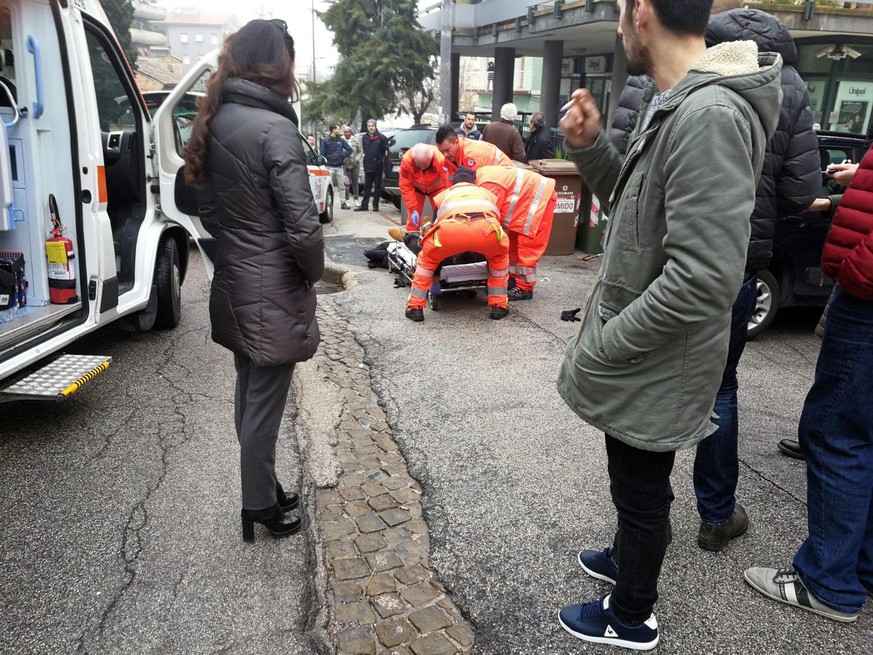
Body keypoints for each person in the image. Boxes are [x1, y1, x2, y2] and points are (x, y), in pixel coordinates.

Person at [556, 0, 780, 649]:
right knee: (636, 479)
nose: (618, 25)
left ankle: (631, 614)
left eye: (621, 11)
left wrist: (606, 342)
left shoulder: (707, 113)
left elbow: (703, 279)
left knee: (641, 486)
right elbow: (632, 211)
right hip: (648, 350)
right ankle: (629, 556)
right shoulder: (678, 100)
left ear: (643, 11)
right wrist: (590, 148)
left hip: (654, 351)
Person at [686, 3, 821, 552]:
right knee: (720, 385)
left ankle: (639, 524)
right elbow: (796, 192)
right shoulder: (790, 86)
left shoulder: (693, 72)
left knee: (654, 376)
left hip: (678, 249)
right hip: (741, 258)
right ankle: (717, 514)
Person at [183, 19, 324, 542]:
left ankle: (262, 487)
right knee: (263, 402)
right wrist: (310, 276)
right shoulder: (274, 128)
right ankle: (258, 505)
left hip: (235, 275)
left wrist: (243, 247)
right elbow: (304, 228)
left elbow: (210, 210)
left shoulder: (216, 119)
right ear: (278, 65)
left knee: (249, 390)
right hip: (272, 284)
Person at [744, 145, 873, 625]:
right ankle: (862, 567)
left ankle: (827, 581)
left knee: (837, 433)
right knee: (862, 432)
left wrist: (858, 271)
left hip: (867, 298)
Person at [404, 168, 510, 322]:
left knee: (427, 261)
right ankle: (498, 307)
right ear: (474, 181)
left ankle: (415, 308)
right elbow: (497, 217)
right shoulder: (487, 194)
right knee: (499, 258)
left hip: (451, 230)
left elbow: (435, 225)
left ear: (453, 183)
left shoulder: (444, 195)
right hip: (486, 229)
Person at [476, 165, 556, 300]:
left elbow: (491, 216)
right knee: (512, 246)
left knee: (528, 246)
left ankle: (525, 287)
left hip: (539, 201)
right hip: (528, 202)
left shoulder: (488, 185)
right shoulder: (484, 177)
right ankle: (512, 279)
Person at [395, 143, 450, 253]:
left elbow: (447, 183)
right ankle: (411, 239)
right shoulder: (407, 160)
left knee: (443, 214)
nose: (422, 168)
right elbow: (405, 185)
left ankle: (444, 238)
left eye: (425, 165)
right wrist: (413, 208)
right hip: (417, 188)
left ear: (430, 159)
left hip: (437, 189)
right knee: (413, 218)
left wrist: (447, 201)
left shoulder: (440, 159)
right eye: (419, 166)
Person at [434, 125, 511, 178]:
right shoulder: (452, 156)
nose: (445, 155)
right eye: (442, 152)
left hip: (506, 177)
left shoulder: (472, 155)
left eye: (447, 150)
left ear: (456, 142)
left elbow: (477, 187)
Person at [357, 119, 390, 212]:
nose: (371, 127)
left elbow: (386, 151)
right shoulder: (364, 137)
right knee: (367, 186)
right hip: (368, 165)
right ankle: (364, 205)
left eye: (372, 126)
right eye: (369, 126)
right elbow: (365, 150)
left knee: (377, 187)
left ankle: (375, 205)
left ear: (375, 126)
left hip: (378, 166)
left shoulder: (382, 137)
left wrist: (381, 161)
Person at [320, 123, 352, 209]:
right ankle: (327, 203)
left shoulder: (341, 140)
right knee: (327, 186)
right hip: (329, 167)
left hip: (339, 166)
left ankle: (343, 202)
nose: (339, 130)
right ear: (333, 130)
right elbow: (322, 155)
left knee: (342, 186)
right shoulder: (325, 140)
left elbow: (350, 149)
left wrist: (342, 156)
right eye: (338, 129)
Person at [343, 125, 363, 207]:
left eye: (348, 132)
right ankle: (346, 199)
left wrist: (357, 159)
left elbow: (360, 151)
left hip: (355, 163)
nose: (347, 133)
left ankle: (356, 199)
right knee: (346, 183)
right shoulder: (341, 141)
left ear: (350, 132)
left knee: (355, 183)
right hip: (345, 164)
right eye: (345, 132)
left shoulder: (355, 140)